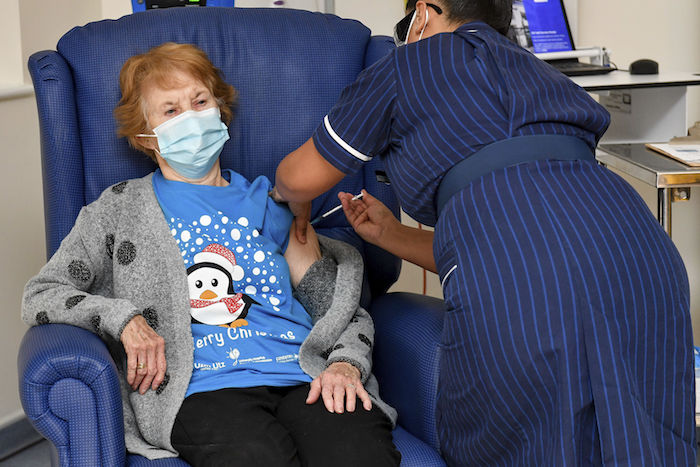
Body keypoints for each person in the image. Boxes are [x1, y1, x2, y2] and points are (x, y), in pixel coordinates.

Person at [273, 1, 696, 465]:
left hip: (522, 272)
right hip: (638, 249)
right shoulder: (542, 72)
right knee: (646, 440)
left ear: (424, 13)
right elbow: (534, 233)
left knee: (523, 442)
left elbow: (299, 179)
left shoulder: (406, 64)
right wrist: (391, 236)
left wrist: (279, 195)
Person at [22, 42, 400, 467]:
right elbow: (43, 293)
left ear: (219, 109)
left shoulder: (271, 204)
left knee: (360, 454)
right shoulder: (119, 210)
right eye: (170, 110)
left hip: (301, 373)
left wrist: (346, 364)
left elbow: (337, 308)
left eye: (200, 101)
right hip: (202, 387)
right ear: (146, 136)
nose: (191, 117)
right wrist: (123, 319)